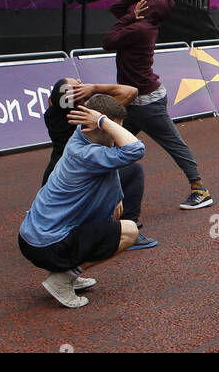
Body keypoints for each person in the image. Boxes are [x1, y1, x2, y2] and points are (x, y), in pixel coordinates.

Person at [18, 95, 144, 308]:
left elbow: (116, 163)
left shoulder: (83, 135)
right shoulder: (84, 153)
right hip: (47, 245)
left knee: (132, 171)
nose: (116, 135)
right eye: (112, 129)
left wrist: (117, 196)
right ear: (95, 126)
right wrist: (105, 121)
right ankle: (63, 278)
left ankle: (67, 271)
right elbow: (136, 149)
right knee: (130, 231)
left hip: (39, 236)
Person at [103, 0, 213, 209]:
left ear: (148, 10)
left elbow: (108, 41)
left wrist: (131, 15)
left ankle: (200, 189)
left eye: (144, 3)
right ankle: (97, 190)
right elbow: (115, 8)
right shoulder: (141, 24)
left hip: (146, 103)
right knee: (108, 143)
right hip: (133, 101)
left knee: (173, 144)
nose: (138, 6)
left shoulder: (140, 27)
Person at [42, 78, 156, 250]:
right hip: (82, 170)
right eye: (77, 85)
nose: (81, 83)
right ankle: (123, 229)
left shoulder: (52, 111)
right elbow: (130, 91)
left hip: (58, 173)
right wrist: (94, 88)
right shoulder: (83, 117)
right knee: (133, 170)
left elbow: (53, 99)